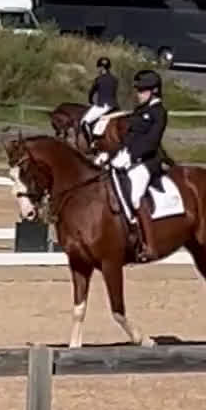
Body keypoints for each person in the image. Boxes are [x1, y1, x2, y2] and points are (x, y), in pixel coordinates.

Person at [110, 67, 168, 262]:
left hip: (147, 161)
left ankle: (150, 245)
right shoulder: (140, 111)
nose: (138, 94)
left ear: (154, 91)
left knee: (135, 196)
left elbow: (151, 142)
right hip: (129, 158)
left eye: (142, 90)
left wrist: (132, 157)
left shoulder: (159, 113)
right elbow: (130, 137)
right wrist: (112, 154)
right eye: (138, 90)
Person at [81, 56, 118, 144]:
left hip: (102, 105)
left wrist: (90, 101)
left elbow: (92, 92)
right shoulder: (115, 79)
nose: (98, 69)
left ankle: (91, 143)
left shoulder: (99, 79)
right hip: (114, 106)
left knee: (84, 122)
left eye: (99, 67)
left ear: (101, 68)